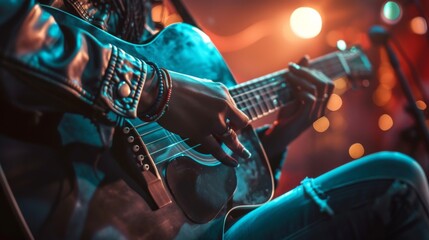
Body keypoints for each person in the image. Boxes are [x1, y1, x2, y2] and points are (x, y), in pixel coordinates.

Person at [0, 0, 428, 239]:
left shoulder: (156, 16)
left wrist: (276, 138)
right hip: (36, 188)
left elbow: (171, 172)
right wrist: (159, 91)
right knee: (397, 182)